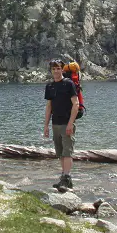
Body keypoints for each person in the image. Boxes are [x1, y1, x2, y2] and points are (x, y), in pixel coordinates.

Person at [43, 59, 79, 190]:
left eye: (58, 68)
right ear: (51, 70)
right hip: (55, 124)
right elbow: (49, 107)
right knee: (60, 153)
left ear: (62, 69)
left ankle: (67, 177)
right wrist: (46, 126)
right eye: (54, 69)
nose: (56, 71)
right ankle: (64, 178)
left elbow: (76, 104)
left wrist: (70, 123)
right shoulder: (50, 86)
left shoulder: (68, 84)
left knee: (67, 152)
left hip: (66, 123)